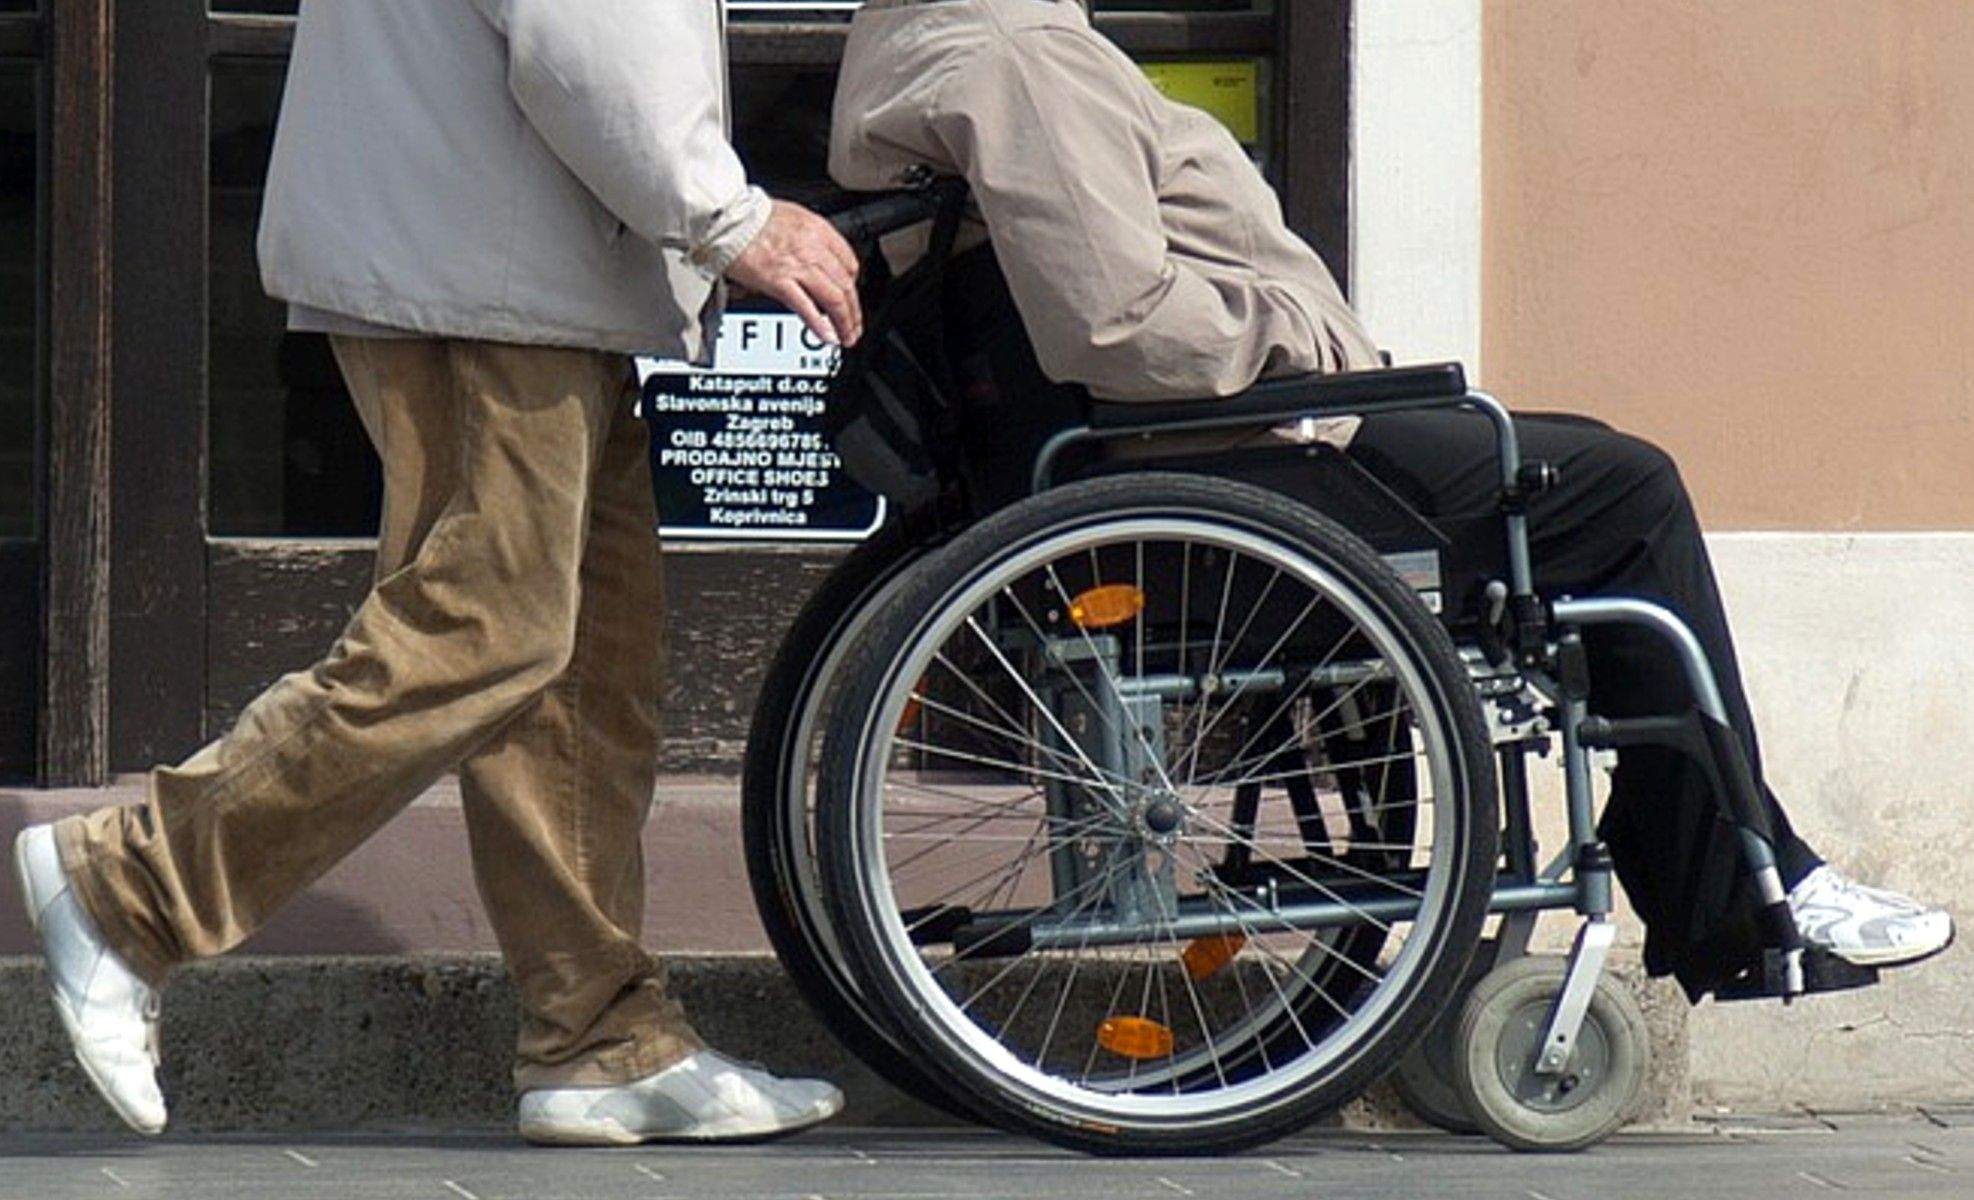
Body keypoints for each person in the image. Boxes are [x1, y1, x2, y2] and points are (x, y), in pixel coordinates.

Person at [828, 0, 1953, 1000]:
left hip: (1189, 459)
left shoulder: (928, 45)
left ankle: (1725, 863)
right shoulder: (1022, 55)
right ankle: (1743, 884)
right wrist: (1307, 346)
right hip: (1218, 461)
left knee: (1589, 460)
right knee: (1623, 493)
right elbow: (1118, 328)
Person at [13, 1, 862, 1145]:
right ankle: (132, 887)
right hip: (488, 256)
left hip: (503, 246)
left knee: (579, 671)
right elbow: (590, 34)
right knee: (489, 625)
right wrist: (732, 217)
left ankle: (601, 1039)